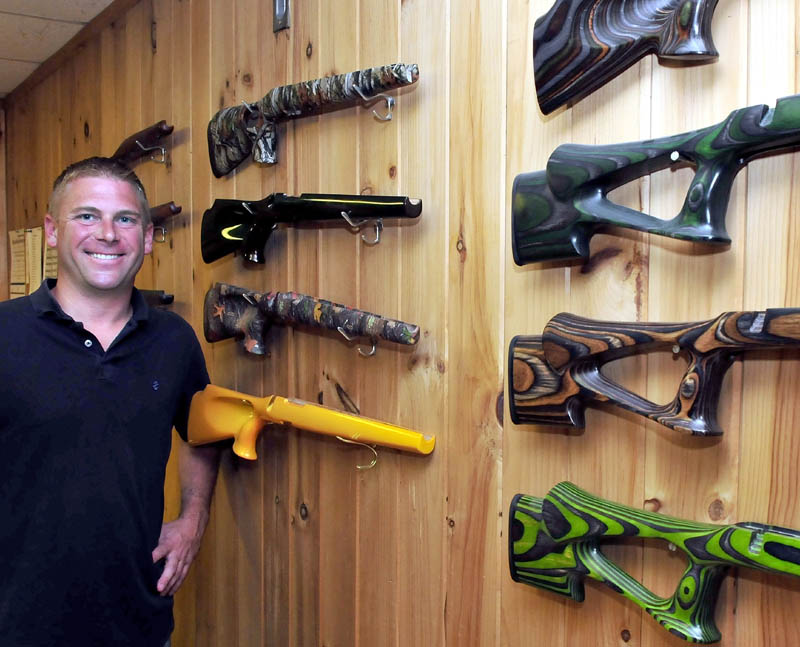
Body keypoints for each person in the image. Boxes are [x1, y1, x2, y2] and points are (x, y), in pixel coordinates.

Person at [0, 157, 220, 646]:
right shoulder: (4, 333)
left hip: (139, 625)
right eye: (86, 216)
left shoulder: (174, 341)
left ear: (146, 238)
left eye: (125, 219)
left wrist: (193, 518)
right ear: (53, 232)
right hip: (17, 624)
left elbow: (200, 434)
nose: (107, 233)